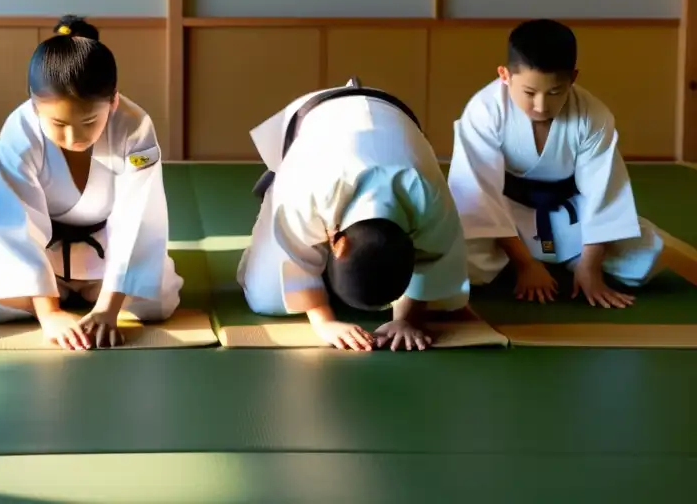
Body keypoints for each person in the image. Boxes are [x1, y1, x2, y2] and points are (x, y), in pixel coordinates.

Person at [0, 15, 182, 350]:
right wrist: (49, 314)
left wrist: (109, 308)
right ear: (34, 104)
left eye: (89, 120)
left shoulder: (134, 126)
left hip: (103, 237)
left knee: (157, 303)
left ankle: (93, 295)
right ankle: (60, 294)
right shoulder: (18, 132)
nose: (74, 136)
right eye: (58, 123)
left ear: (113, 101)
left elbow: (138, 216)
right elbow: (18, 223)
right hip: (43, 242)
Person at [237, 79, 471, 352]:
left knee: (449, 302)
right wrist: (324, 322)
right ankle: (276, 198)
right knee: (268, 299)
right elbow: (292, 253)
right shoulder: (308, 188)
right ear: (338, 243)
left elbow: (435, 258)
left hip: (392, 114)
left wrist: (407, 320)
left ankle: (338, 275)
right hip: (314, 115)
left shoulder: (429, 197)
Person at [447, 19, 663, 308]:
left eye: (554, 92)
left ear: (573, 78)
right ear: (505, 75)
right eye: (529, 93)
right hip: (506, 213)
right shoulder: (484, 111)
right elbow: (478, 194)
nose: (540, 106)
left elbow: (603, 195)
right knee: (456, 258)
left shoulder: (592, 115)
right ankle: (523, 261)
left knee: (649, 255)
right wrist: (524, 264)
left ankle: (575, 262)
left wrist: (591, 266)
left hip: (569, 213)